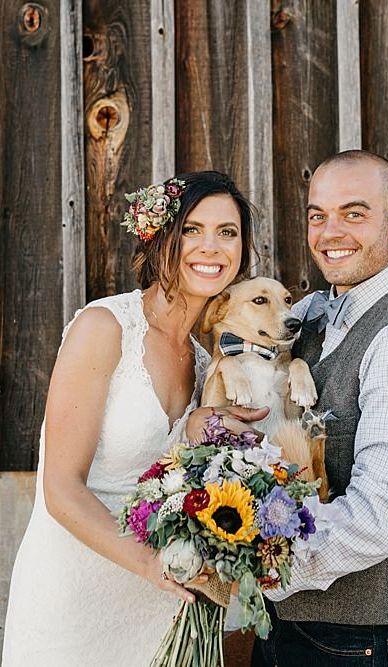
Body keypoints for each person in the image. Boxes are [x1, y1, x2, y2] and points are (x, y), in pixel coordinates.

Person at [2, 170, 267, 666]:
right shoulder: (104, 328)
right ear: (162, 236)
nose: (211, 247)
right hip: (74, 602)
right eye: (192, 229)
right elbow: (60, 489)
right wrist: (154, 566)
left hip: (161, 611)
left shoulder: (209, 365)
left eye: (227, 232)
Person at [252, 150, 388, 666]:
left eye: (354, 213)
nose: (330, 232)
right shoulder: (308, 313)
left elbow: (384, 514)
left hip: (358, 644)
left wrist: (262, 563)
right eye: (317, 215)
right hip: (284, 629)